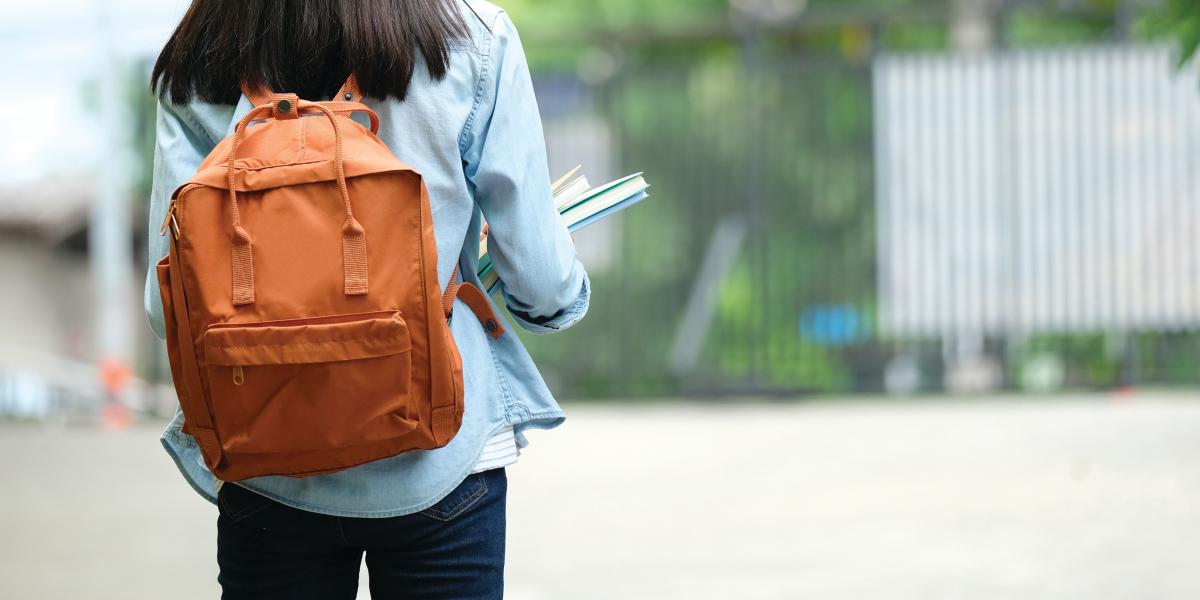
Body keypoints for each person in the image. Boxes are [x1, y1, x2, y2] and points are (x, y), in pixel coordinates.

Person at [144, 1, 590, 598]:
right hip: (443, 456)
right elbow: (540, 279)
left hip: (265, 457)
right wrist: (555, 300)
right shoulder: (470, 37)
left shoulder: (203, 49)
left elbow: (165, 305)